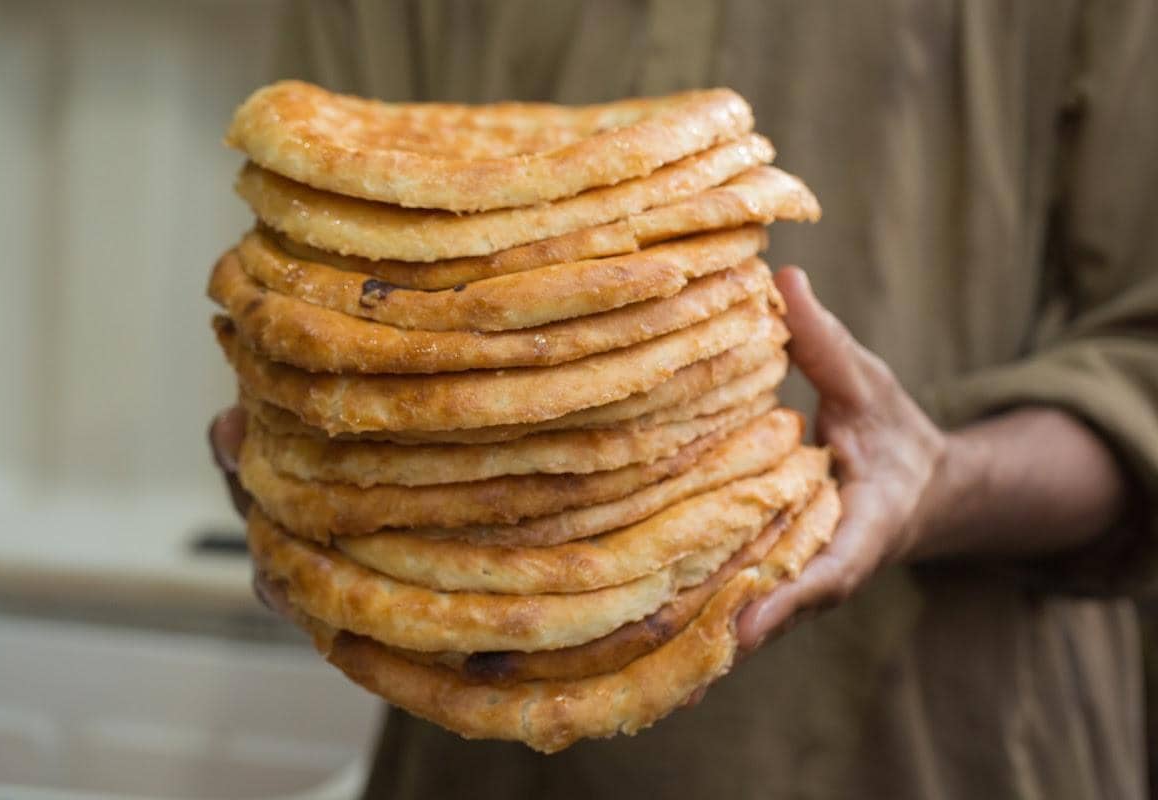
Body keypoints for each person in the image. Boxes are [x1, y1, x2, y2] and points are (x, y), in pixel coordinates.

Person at [209, 2, 1158, 797]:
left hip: (948, 743)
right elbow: (306, 279)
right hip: (479, 745)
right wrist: (321, 480)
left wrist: (943, 479)